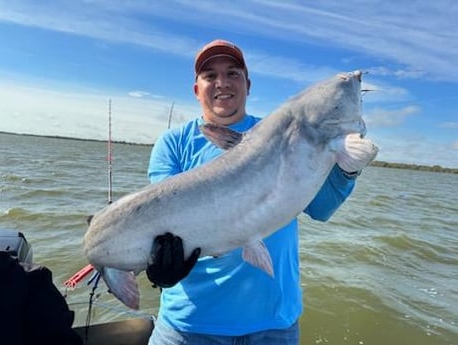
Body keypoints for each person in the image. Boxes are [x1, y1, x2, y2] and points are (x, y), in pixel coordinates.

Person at [145, 39, 375, 345]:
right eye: (210, 75)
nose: (222, 83)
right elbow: (157, 221)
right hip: (189, 324)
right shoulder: (173, 144)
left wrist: (348, 170)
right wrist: (158, 265)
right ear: (197, 89)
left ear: (248, 85)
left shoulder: (287, 133)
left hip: (274, 325)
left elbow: (320, 209)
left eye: (233, 73)